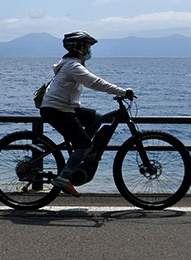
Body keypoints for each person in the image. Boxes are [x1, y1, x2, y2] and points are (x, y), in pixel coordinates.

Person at [39, 31, 133, 197]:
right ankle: (64, 177)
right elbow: (94, 82)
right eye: (87, 46)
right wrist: (122, 91)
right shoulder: (73, 66)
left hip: (67, 107)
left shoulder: (70, 63)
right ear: (79, 49)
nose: (89, 50)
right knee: (84, 145)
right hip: (57, 110)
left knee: (98, 119)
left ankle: (82, 154)